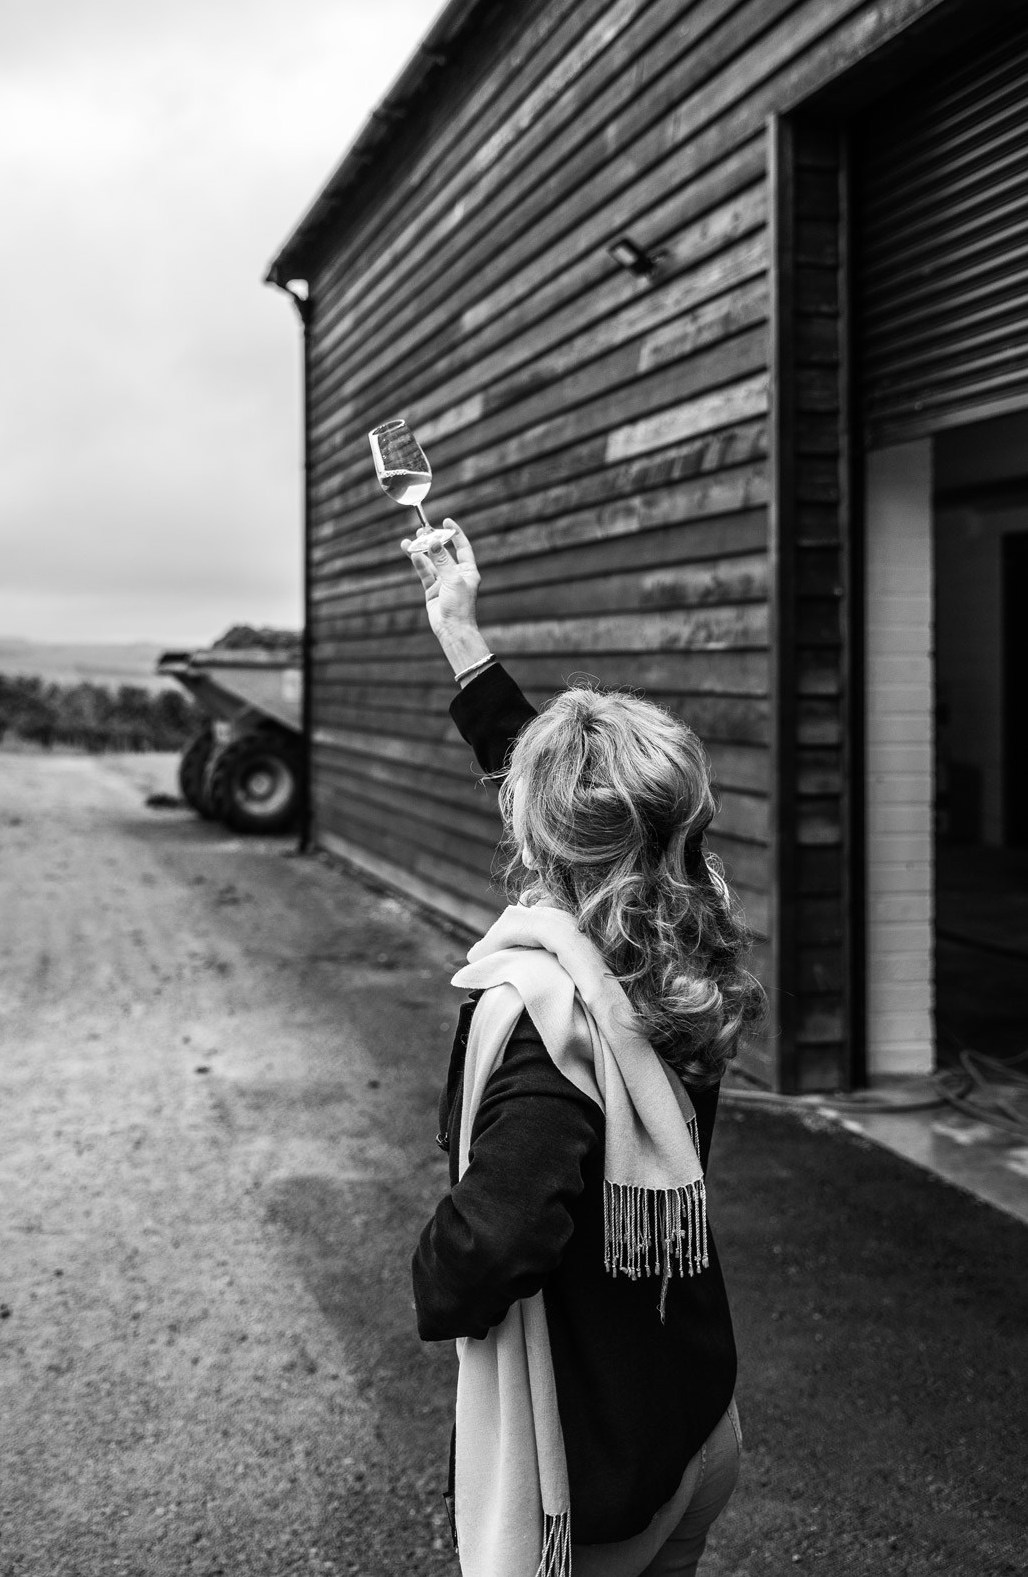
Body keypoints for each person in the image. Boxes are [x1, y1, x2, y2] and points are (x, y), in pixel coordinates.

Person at [403, 519, 765, 1577]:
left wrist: (432, 1267)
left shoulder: (549, 1019)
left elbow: (482, 1253)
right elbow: (569, 789)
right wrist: (458, 629)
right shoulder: (690, 919)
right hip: (697, 1417)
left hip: (600, 1475)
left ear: (543, 839)